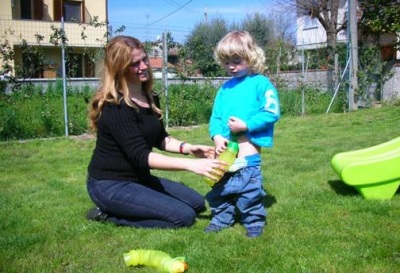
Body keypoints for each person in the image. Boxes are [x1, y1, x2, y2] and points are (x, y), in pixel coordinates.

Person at [86, 35, 224, 229]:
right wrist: (192, 165)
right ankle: (107, 215)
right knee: (183, 217)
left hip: (139, 179)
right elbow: (141, 156)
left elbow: (160, 138)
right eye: (135, 63)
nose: (143, 66)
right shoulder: (114, 106)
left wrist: (189, 148)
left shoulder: (149, 96)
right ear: (120, 68)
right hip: (110, 184)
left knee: (197, 204)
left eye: (144, 59)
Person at [205, 30, 281, 237]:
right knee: (220, 189)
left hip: (248, 153)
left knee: (250, 190)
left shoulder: (260, 83)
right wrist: (217, 136)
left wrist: (246, 125)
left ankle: (254, 221)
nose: (231, 66)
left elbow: (272, 111)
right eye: (227, 61)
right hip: (225, 153)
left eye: (237, 61)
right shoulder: (224, 89)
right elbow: (216, 117)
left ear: (251, 57)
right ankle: (222, 217)